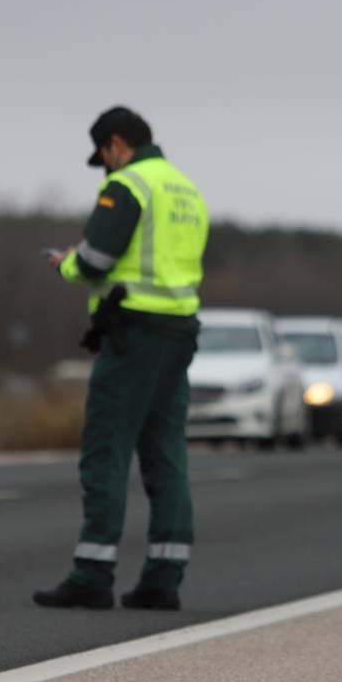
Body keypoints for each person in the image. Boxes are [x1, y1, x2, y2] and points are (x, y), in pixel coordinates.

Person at [34, 107, 209, 611]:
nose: (105, 166)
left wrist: (64, 263)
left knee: (107, 451)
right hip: (179, 334)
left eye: (104, 156)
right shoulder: (186, 189)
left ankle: (92, 574)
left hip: (133, 334)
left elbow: (94, 261)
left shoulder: (128, 185)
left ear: (115, 144)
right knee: (166, 454)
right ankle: (164, 578)